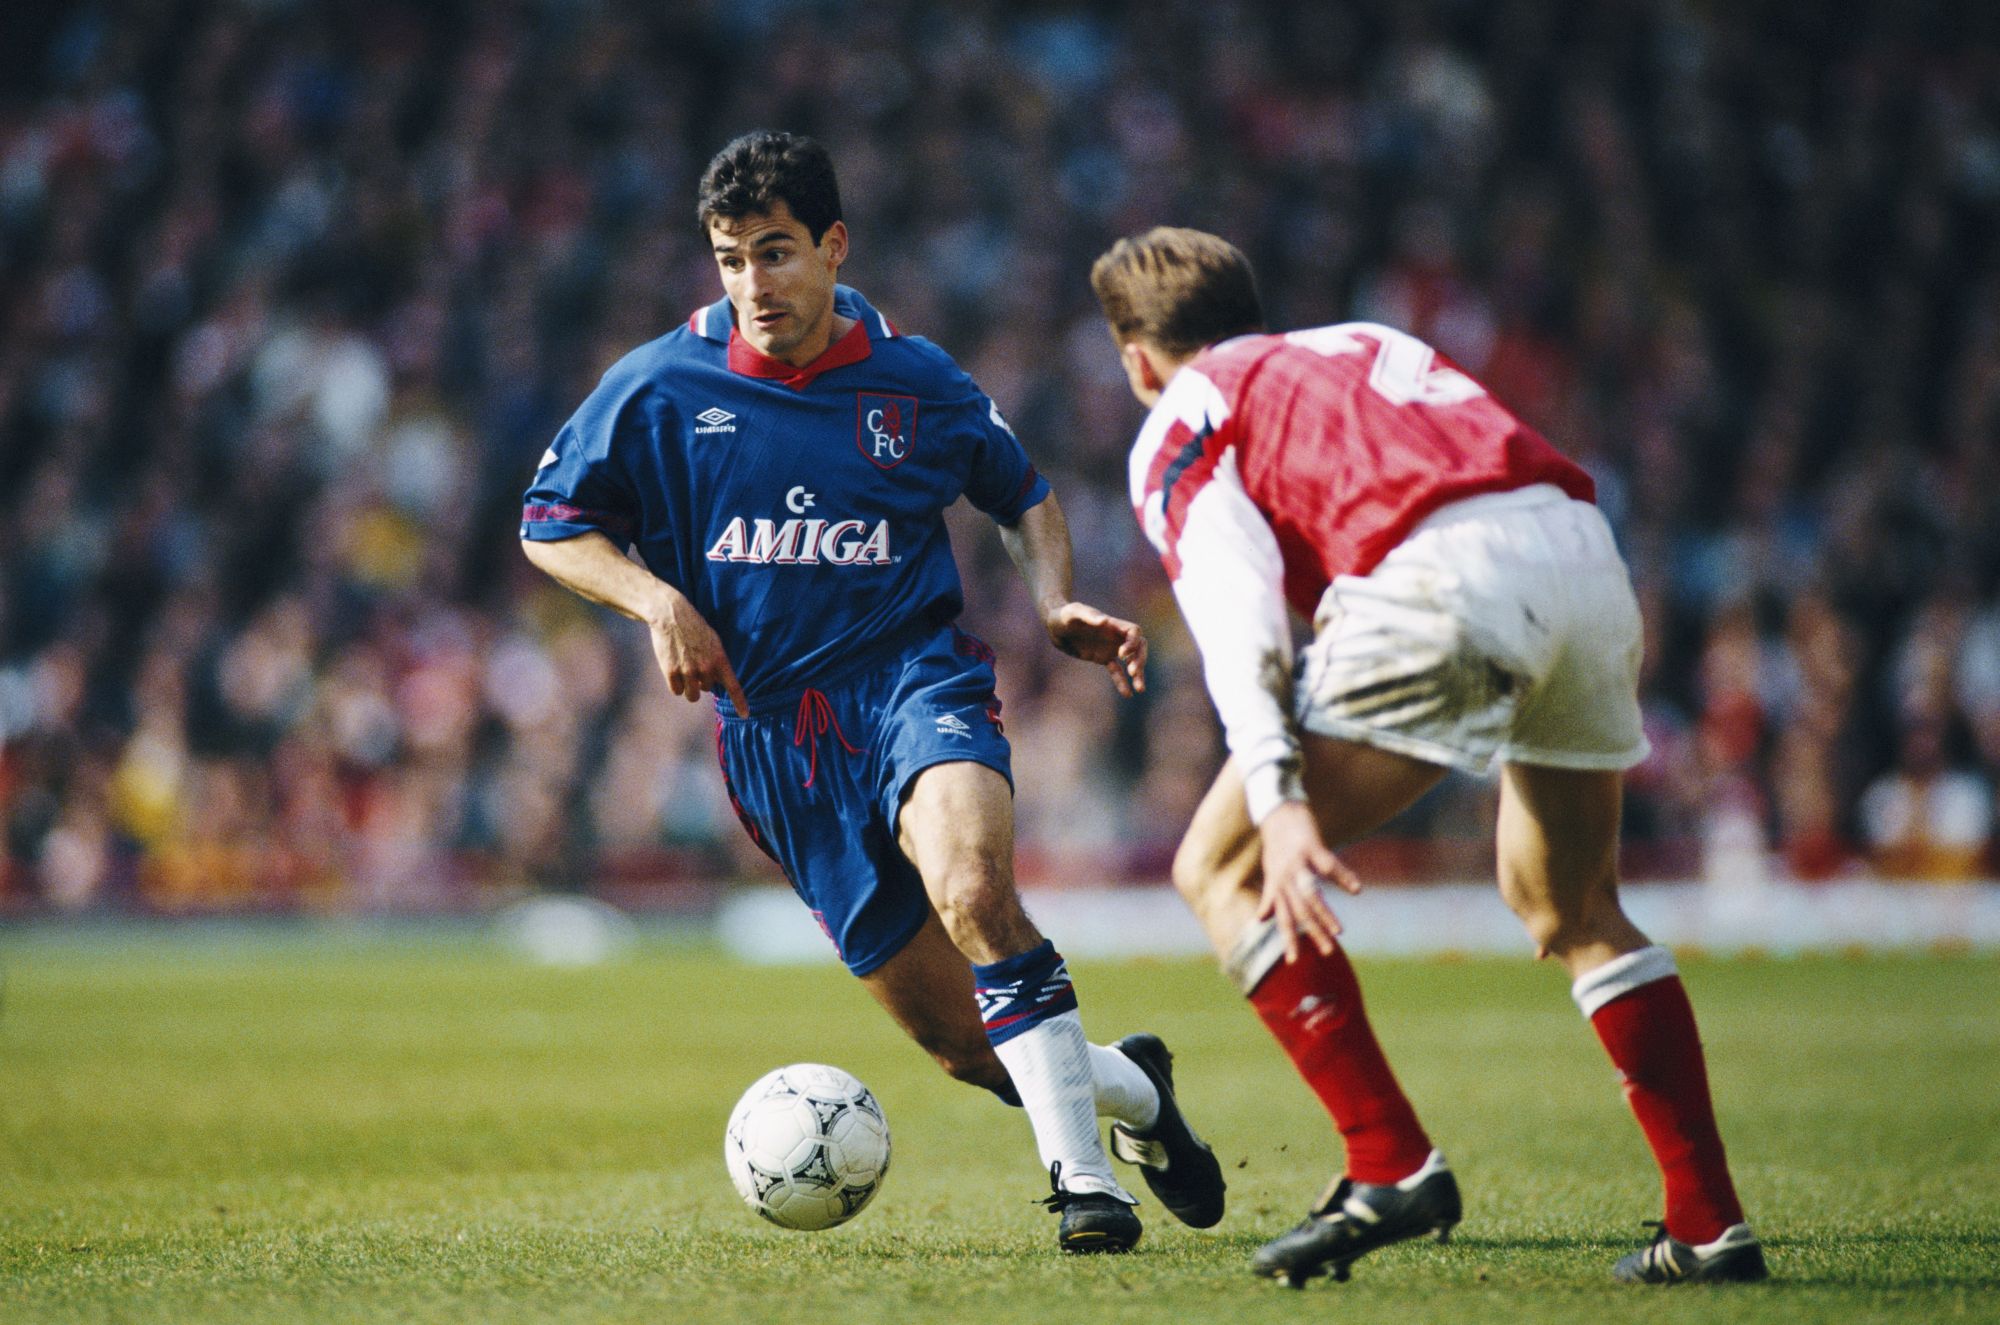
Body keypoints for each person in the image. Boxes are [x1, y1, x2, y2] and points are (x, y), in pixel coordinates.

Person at [520, 133, 1224, 1253]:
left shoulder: (916, 378)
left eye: (775, 251)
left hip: (910, 679)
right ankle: (1138, 1092)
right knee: (966, 1047)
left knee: (974, 889)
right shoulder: (658, 384)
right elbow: (550, 525)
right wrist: (655, 600)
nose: (753, 283)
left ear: (833, 245)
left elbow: (1022, 493)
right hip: (774, 745)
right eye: (730, 259)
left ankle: (1085, 1183)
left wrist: (1052, 600)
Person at [1090, 227, 1765, 1286]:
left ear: (1137, 359)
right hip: (1579, 552)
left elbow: (1234, 614)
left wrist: (1275, 794)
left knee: (1217, 868)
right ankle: (1707, 1221)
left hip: (1438, 574)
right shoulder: (1361, 339)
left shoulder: (1183, 413)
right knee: (1566, 900)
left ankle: (1386, 1161)